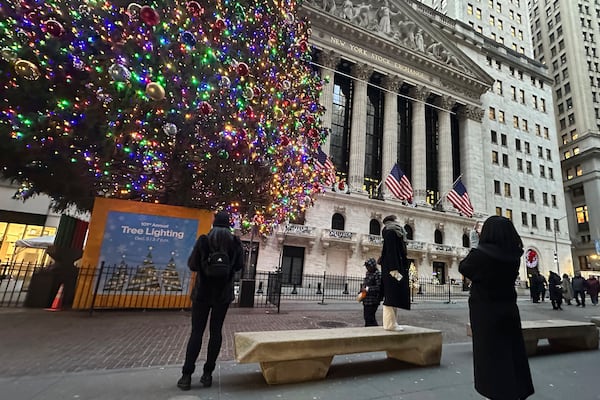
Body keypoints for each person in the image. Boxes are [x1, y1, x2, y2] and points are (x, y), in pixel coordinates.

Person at [459, 216, 534, 400]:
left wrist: (476, 245)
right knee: (511, 352)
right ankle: (516, 389)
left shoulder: (482, 254)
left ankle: (497, 392)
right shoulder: (513, 255)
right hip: (508, 309)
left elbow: (464, 268)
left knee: (490, 357)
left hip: (486, 313)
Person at [177, 211, 244, 391]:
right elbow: (239, 266)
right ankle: (208, 374)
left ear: (214, 223)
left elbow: (192, 265)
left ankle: (186, 376)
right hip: (223, 294)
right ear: (228, 224)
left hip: (202, 293)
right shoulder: (235, 242)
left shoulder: (204, 240)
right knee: (216, 332)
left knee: (196, 333)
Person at [379, 215, 410, 331]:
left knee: (394, 295)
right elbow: (391, 251)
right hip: (392, 269)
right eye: (396, 220)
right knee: (391, 296)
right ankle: (390, 324)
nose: (398, 222)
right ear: (391, 222)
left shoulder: (393, 231)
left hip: (393, 267)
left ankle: (393, 322)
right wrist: (394, 269)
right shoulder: (391, 232)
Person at [361, 257, 382, 326]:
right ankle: (368, 331)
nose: (367, 268)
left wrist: (367, 289)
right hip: (366, 299)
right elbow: (366, 284)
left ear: (372, 266)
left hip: (373, 300)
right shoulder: (368, 273)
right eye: (366, 266)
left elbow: (379, 287)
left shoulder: (377, 274)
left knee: (370, 318)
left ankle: (373, 331)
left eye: (368, 266)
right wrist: (362, 291)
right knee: (367, 317)